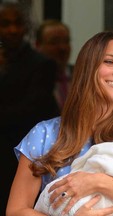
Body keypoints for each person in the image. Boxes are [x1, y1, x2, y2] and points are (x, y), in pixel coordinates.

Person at [6, 31, 113, 216]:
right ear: (88, 67)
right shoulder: (44, 134)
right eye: (110, 61)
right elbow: (16, 211)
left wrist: (96, 182)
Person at [0, 2, 59, 214]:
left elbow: (30, 111)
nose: (12, 29)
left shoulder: (41, 64)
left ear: (26, 27)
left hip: (21, 158)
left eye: (17, 23)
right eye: (5, 24)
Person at [35, 19, 73, 110]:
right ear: (38, 45)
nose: (62, 48)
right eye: (54, 42)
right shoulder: (32, 79)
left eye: (66, 41)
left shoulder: (83, 75)